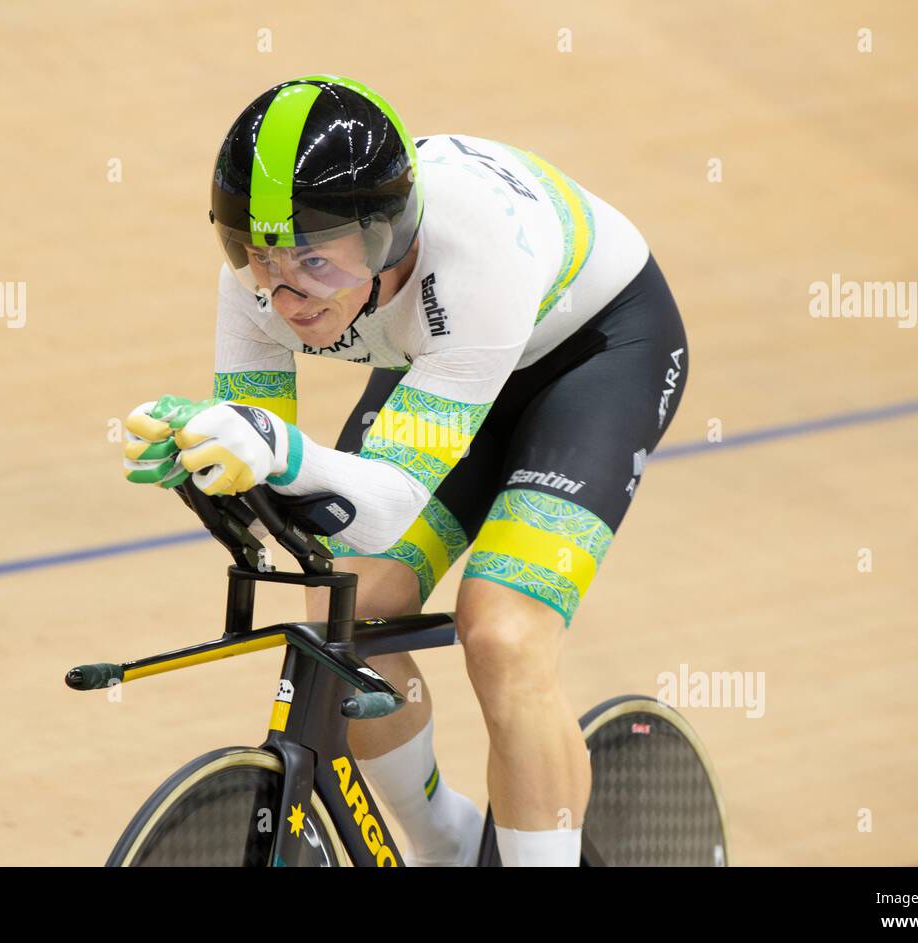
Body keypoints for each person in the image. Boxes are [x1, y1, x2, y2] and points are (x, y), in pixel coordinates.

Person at [122, 75, 688, 866]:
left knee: (502, 633)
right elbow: (286, 497)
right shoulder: (262, 282)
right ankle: (445, 843)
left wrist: (272, 450)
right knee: (342, 612)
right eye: (258, 257)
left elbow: (381, 504)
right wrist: (208, 463)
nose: (284, 295)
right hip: (444, 360)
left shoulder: (473, 261)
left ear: (386, 235)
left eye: (313, 263)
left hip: (591, 359)